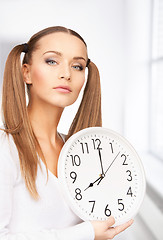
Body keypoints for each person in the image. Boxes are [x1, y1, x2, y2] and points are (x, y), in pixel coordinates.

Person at [0, 26, 133, 240]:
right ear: (26, 72)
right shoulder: (5, 148)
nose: (66, 74)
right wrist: (88, 232)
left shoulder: (79, 151)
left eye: (77, 66)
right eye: (52, 61)